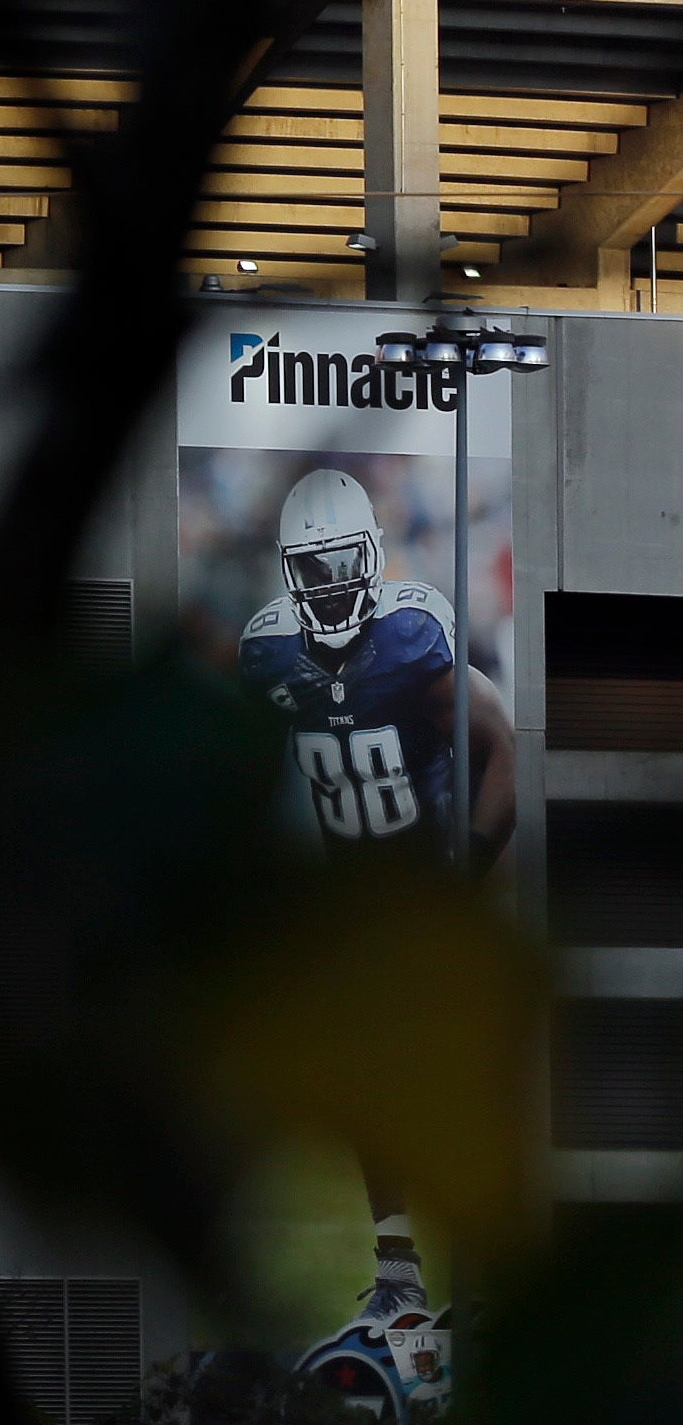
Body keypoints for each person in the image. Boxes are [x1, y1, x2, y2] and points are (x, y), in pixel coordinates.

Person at [234, 463, 513, 1363]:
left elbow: (501, 746)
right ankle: (401, 1269)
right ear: (287, 572)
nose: (331, 586)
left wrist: (466, 867)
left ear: (375, 556)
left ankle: (483, 1263)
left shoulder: (413, 636)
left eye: (343, 563)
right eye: (312, 569)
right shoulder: (268, 654)